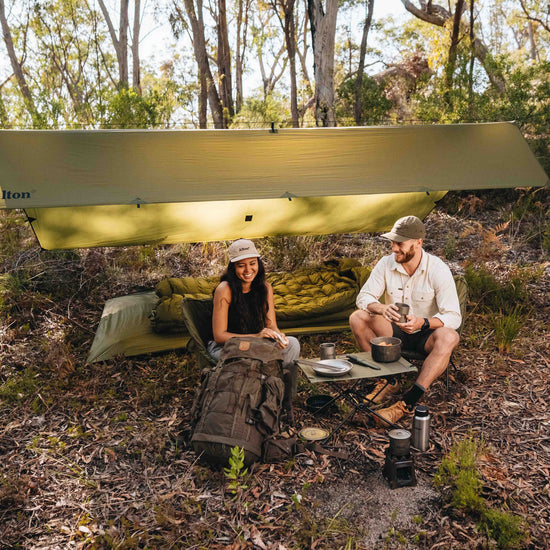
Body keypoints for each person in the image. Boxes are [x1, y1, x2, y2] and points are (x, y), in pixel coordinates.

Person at [349, 215, 461, 426]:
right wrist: (382, 308)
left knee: (449, 337)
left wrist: (423, 323)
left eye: (399, 243)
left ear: (418, 243)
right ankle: (389, 381)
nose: (393, 248)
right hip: (394, 333)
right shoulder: (386, 264)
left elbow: (453, 316)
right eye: (392, 242)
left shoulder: (438, 269)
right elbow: (363, 298)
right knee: (358, 318)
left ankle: (407, 403)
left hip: (426, 334)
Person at [208, 239, 300, 400]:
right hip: (229, 347)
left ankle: (283, 395)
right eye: (241, 265)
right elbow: (219, 336)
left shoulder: (265, 287)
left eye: (252, 263)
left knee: (293, 344)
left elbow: (271, 324)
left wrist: (279, 337)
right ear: (233, 267)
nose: (248, 270)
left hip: (257, 345)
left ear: (258, 264)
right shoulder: (224, 289)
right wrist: (256, 337)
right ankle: (257, 394)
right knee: (251, 356)